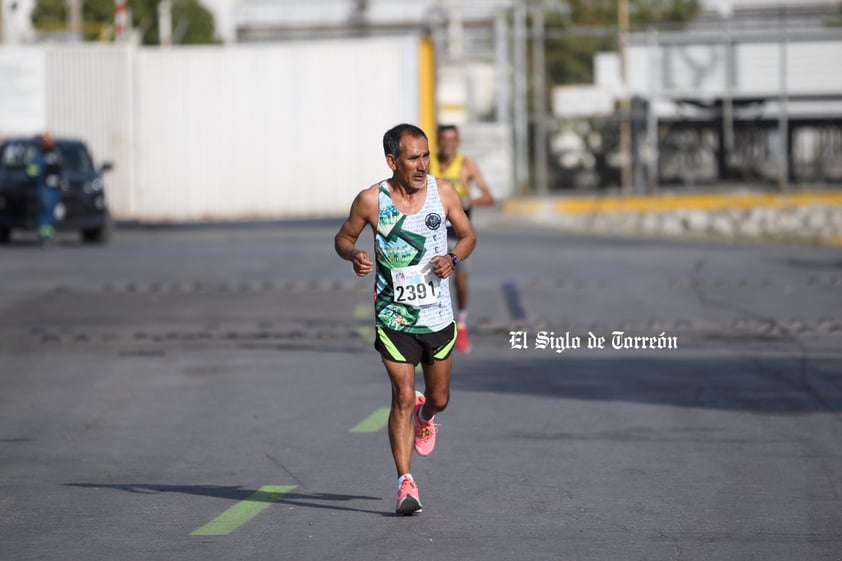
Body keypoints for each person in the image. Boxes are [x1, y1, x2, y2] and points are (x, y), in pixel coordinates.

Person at [335, 123, 476, 515]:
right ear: (392, 160)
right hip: (393, 315)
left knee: (440, 399)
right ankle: (405, 483)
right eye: (413, 158)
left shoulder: (443, 192)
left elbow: (467, 235)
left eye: (426, 156)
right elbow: (344, 238)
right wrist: (355, 256)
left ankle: (425, 415)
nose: (422, 165)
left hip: (437, 316)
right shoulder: (370, 200)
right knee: (399, 394)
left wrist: (453, 258)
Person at [429, 124, 495, 353]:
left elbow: (489, 197)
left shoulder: (466, 166)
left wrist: (468, 202)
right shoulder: (430, 163)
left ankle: (462, 324)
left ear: (458, 143)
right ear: (438, 141)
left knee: (460, 281)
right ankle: (432, 328)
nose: (447, 144)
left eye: (452, 140)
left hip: (458, 232)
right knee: (431, 279)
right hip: (432, 231)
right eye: (443, 140)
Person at [27, 133, 63, 244]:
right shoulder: (48, 156)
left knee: (48, 213)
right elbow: (32, 172)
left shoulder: (48, 156)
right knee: (47, 212)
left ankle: (47, 236)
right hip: (48, 189)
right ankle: (45, 237)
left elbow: (32, 172)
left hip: (49, 189)